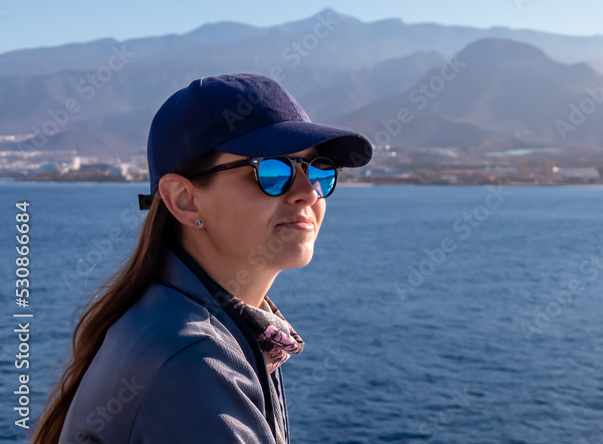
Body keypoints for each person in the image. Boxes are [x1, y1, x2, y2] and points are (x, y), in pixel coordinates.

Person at [34, 73, 373, 443]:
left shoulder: (174, 319)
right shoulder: (195, 361)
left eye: (319, 170)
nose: (308, 192)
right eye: (274, 171)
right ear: (184, 199)